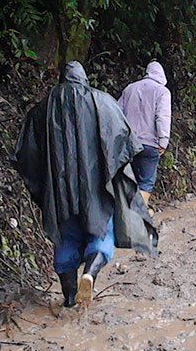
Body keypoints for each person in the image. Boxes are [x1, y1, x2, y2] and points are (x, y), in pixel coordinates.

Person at [14, 62, 155, 308]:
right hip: (97, 190)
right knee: (101, 233)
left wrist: (44, 189)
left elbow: (27, 156)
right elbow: (124, 142)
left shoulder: (41, 110)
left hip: (58, 194)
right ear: (83, 78)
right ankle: (90, 273)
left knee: (65, 241)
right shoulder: (103, 103)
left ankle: (68, 299)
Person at [118, 61, 172, 209]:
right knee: (146, 182)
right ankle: (137, 216)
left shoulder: (130, 88)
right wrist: (163, 140)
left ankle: (127, 215)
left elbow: (117, 113)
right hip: (150, 144)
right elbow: (162, 116)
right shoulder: (162, 91)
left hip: (128, 143)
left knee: (129, 180)